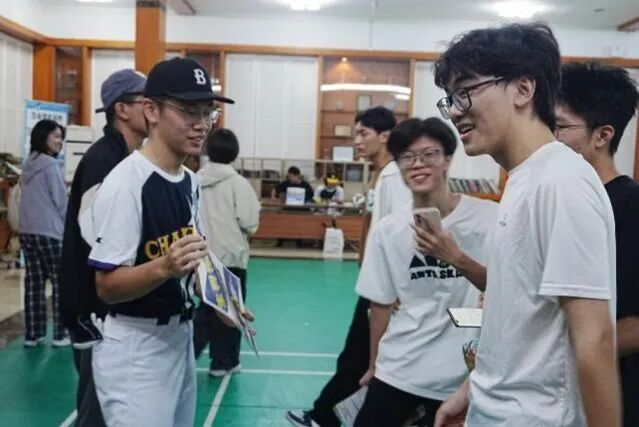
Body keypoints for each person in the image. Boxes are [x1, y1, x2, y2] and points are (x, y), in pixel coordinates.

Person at [429, 23, 619, 427]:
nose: (456, 110)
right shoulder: (523, 180)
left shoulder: (561, 182)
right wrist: (472, 391)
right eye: (450, 98)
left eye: (466, 91)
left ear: (523, 89)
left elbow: (595, 341)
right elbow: (521, 316)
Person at [80, 57, 245, 426]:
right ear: (151, 110)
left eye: (208, 112)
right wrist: (164, 267)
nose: (201, 124)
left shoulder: (190, 181)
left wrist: (221, 300)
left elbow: (195, 256)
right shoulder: (126, 184)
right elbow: (106, 286)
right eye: (188, 111)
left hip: (179, 336)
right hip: (135, 347)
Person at [353, 117, 497, 427]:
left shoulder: (489, 219)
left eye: (429, 154)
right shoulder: (388, 230)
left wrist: (454, 257)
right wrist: (374, 365)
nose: (418, 164)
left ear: (447, 159)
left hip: (463, 377)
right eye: (407, 157)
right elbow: (380, 305)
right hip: (400, 368)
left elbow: (509, 290)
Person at [286, 106, 411, 427]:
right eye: (355, 133)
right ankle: (326, 414)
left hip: (386, 290)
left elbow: (401, 235)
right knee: (358, 356)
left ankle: (325, 416)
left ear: (385, 137)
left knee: (359, 356)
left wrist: (395, 289)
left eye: (362, 133)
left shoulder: (395, 178)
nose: (356, 140)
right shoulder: (380, 175)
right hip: (374, 284)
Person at [59, 68, 147, 427]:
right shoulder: (103, 161)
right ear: (122, 109)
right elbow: (96, 240)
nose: (154, 109)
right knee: (97, 410)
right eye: (146, 102)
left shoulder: (127, 156)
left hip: (108, 308)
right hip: (94, 311)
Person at [556, 61, 639, 427]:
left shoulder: (631, 207)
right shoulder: (560, 201)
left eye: (559, 127)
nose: (548, 138)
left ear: (602, 135)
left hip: (605, 401)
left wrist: (551, 357)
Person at [193, 128, 261, 376]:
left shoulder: (194, 179)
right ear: (234, 153)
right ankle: (225, 362)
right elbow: (249, 222)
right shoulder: (238, 184)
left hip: (201, 256)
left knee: (206, 309)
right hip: (231, 256)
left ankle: (187, 355)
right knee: (232, 311)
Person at [19, 119, 69, 348]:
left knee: (34, 284)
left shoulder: (28, 163)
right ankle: (60, 334)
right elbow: (61, 202)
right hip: (50, 233)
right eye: (55, 136)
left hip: (27, 231)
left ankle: (33, 334)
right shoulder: (50, 165)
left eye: (61, 137)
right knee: (60, 283)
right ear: (43, 137)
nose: (59, 141)